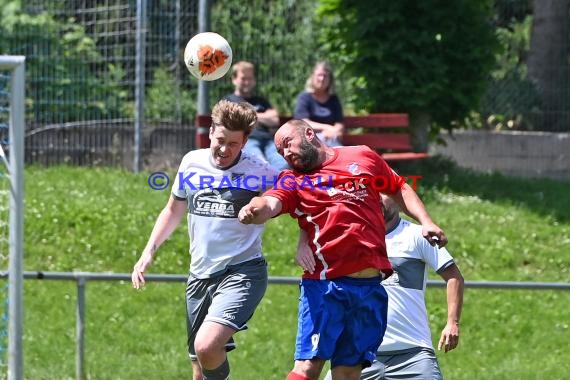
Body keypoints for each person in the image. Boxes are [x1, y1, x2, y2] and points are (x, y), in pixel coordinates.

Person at [238, 119, 447, 380]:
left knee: (348, 372)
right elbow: (270, 203)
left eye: (287, 144)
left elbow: (398, 187)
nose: (285, 153)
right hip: (327, 288)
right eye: (280, 151)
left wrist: (426, 222)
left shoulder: (362, 155)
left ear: (310, 134)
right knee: (308, 367)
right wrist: (254, 209)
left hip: (370, 289)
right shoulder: (293, 179)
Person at [131, 99, 279, 380]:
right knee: (199, 366)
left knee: (207, 345)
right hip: (199, 274)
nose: (224, 149)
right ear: (211, 131)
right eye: (220, 140)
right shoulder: (192, 161)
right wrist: (148, 252)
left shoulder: (260, 170)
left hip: (242, 270)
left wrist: (300, 238)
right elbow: (173, 209)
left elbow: (294, 200)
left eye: (233, 144)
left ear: (245, 141)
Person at [321, 195, 465, 380]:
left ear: (399, 199)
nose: (378, 198)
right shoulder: (352, 236)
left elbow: (454, 276)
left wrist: (452, 322)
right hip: (359, 351)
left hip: (413, 354)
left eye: (385, 192)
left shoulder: (418, 235)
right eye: (374, 192)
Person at [224, 60, 289, 170]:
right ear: (234, 79)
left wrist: (248, 115)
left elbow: (274, 120)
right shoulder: (228, 101)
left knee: (284, 164)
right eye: (243, 78)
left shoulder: (261, 101)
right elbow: (233, 122)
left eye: (250, 78)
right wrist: (263, 117)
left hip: (269, 142)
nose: (247, 82)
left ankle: (278, 187)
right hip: (246, 141)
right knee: (260, 164)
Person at [293, 61, 344, 147]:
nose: (322, 78)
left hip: (332, 138)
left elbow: (339, 123)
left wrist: (334, 131)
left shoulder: (334, 99)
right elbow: (303, 122)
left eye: (325, 76)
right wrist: (327, 128)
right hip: (310, 141)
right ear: (312, 77)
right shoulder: (304, 97)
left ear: (330, 80)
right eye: (319, 75)